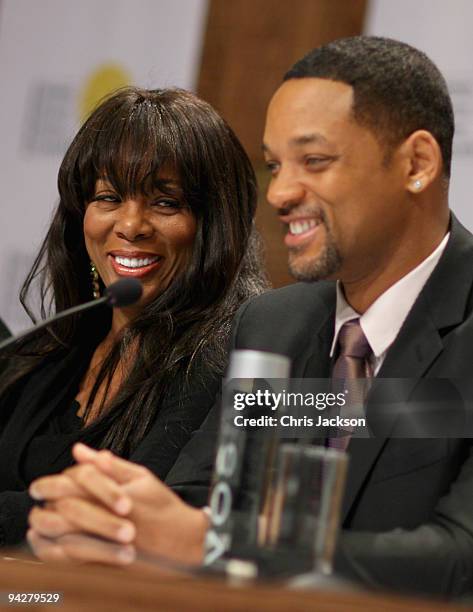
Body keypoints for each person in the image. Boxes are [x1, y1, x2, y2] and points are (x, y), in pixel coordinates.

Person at [28, 37, 473, 598]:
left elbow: (459, 558)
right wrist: (115, 515)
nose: (282, 192)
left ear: (417, 164)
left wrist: (208, 543)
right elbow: (199, 494)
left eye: (314, 161)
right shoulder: (274, 325)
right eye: (275, 166)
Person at [0, 86, 267, 547]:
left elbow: (127, 520)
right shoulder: (48, 355)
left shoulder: (227, 363)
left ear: (213, 225)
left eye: (165, 203)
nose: (130, 225)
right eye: (109, 197)